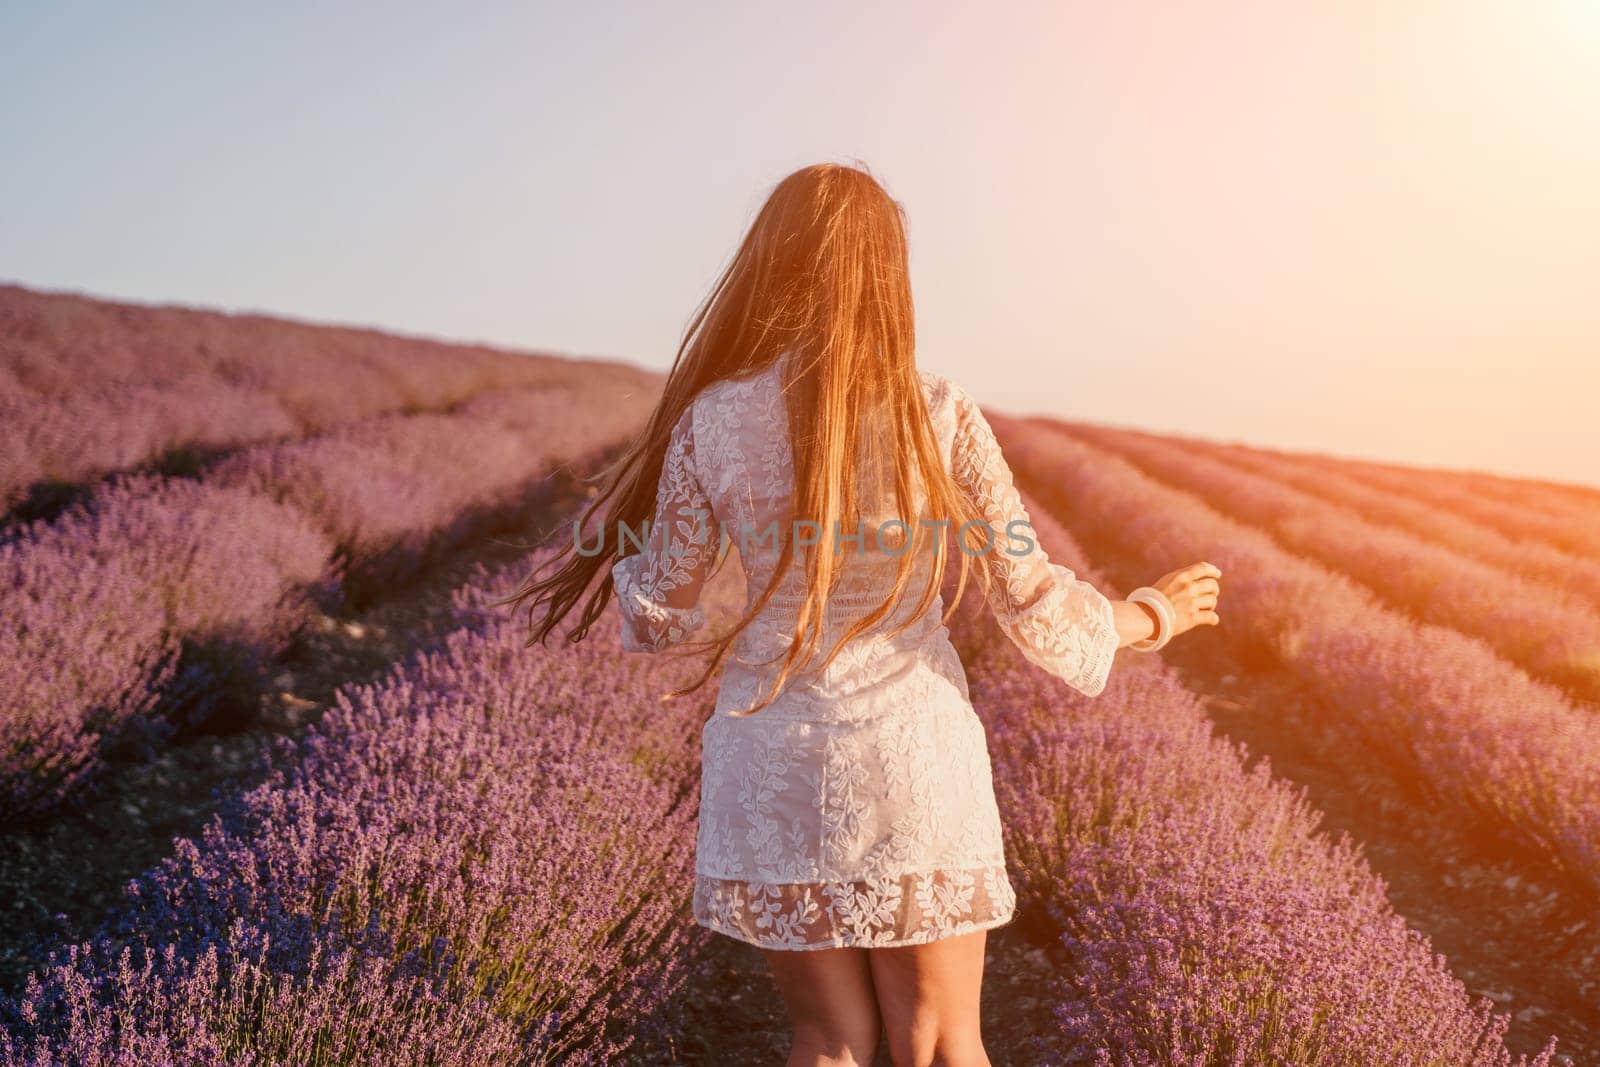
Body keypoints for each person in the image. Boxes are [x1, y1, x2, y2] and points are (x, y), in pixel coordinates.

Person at [503, 161, 1222, 1067]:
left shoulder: (712, 422)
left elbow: (659, 613)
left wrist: (622, 551)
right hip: (909, 755)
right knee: (937, 1038)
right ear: (888, 275)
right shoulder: (937, 414)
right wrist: (1146, 616)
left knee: (829, 1037)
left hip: (772, 757)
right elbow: (1030, 598)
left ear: (771, 263)